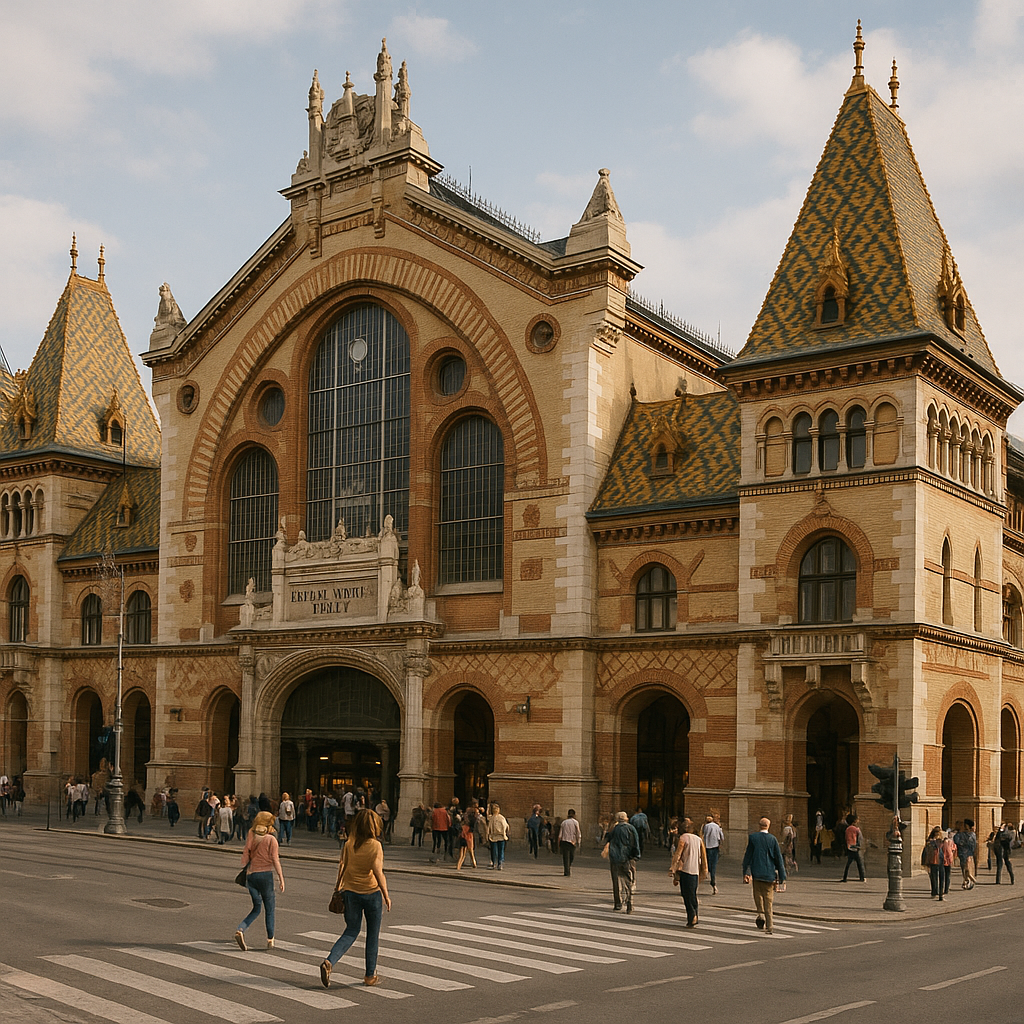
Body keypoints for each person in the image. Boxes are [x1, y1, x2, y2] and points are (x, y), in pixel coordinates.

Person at [319, 808, 391, 989]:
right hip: (371, 893)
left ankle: (329, 961)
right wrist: (386, 894)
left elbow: (342, 867)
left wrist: (337, 887)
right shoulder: (375, 845)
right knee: (372, 935)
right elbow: (377, 871)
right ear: (374, 826)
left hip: (350, 892)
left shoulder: (349, 844)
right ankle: (369, 975)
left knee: (351, 931)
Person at [235, 810, 285, 950]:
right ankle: (270, 939)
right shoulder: (271, 839)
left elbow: (246, 851)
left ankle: (241, 929)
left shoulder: (251, 833)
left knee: (256, 908)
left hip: (251, 876)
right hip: (265, 876)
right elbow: (275, 860)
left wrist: (245, 866)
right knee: (269, 909)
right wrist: (281, 878)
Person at [742, 817, 786, 934]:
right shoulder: (773, 839)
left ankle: (760, 915)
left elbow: (748, 857)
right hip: (769, 874)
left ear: (759, 825)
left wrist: (746, 872)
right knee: (768, 899)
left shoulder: (753, 838)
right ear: (768, 826)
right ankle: (770, 925)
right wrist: (782, 876)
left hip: (757, 873)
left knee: (757, 895)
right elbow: (778, 859)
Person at [669, 817, 708, 927]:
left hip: (685, 870)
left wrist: (673, 868)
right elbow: (704, 856)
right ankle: (695, 915)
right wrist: (705, 869)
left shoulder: (683, 838)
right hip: (695, 870)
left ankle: (692, 916)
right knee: (693, 894)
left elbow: (678, 855)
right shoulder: (699, 839)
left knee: (686, 894)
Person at [604, 810, 641, 913]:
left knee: (616, 881)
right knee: (628, 880)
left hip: (615, 858)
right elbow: (636, 843)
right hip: (627, 858)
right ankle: (629, 902)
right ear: (626, 818)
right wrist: (636, 855)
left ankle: (618, 903)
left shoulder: (614, 829)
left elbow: (607, 838)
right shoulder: (631, 828)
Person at [700, 814, 724, 894]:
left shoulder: (706, 826)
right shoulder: (717, 826)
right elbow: (722, 837)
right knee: (714, 864)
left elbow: (703, 835)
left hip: (708, 846)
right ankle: (712, 879)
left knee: (707, 862)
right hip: (715, 846)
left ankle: (708, 872)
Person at [840, 813, 865, 882]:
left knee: (848, 864)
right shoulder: (856, 829)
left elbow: (845, 838)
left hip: (849, 847)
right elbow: (860, 838)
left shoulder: (847, 829)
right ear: (854, 822)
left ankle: (845, 877)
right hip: (856, 848)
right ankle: (862, 877)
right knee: (860, 864)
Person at [953, 819, 977, 889]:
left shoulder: (970, 834)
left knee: (967, 867)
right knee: (964, 867)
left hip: (967, 852)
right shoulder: (960, 834)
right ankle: (967, 880)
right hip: (963, 853)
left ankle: (969, 880)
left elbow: (972, 844)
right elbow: (956, 841)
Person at [923, 826, 945, 900]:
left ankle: (940, 893)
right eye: (937, 833)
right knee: (934, 877)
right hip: (934, 860)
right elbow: (927, 851)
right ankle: (935, 891)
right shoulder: (931, 841)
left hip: (941, 860)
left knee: (941, 877)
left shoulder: (942, 840)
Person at [558, 809, 582, 876]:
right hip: (572, 842)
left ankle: (567, 868)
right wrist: (578, 841)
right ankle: (567, 870)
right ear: (574, 815)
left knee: (566, 857)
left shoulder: (564, 822)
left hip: (565, 841)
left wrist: (559, 842)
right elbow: (578, 833)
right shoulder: (575, 822)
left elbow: (560, 834)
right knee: (571, 856)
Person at [486, 802, 510, 869]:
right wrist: (505, 833)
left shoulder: (491, 818)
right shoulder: (502, 818)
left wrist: (487, 835)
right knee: (500, 850)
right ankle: (500, 863)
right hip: (501, 836)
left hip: (493, 836)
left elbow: (489, 827)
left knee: (494, 851)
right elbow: (506, 826)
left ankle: (494, 863)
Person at [456, 802, 479, 870]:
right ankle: (473, 862)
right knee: (470, 849)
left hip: (464, 833)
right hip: (469, 834)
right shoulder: (474, 817)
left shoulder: (464, 818)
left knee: (463, 852)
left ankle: (459, 866)